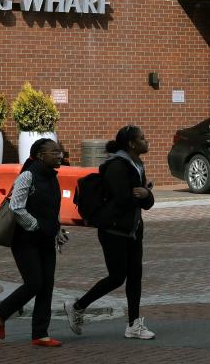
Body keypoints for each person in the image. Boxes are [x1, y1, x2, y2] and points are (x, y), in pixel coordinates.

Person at [64, 125, 156, 339]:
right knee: (117, 277)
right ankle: (78, 306)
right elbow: (124, 198)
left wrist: (146, 194)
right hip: (113, 230)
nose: (146, 141)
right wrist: (143, 194)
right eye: (142, 138)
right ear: (132, 143)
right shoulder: (116, 166)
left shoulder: (137, 164)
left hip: (132, 229)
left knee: (135, 276)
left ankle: (134, 324)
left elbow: (145, 201)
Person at [0, 138, 67, 347]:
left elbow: (52, 208)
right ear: (41, 156)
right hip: (25, 240)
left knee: (46, 287)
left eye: (59, 151)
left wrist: (57, 229)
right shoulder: (28, 175)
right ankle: (1, 311)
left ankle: (40, 334)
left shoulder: (52, 177)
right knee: (34, 283)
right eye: (54, 152)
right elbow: (16, 207)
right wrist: (36, 226)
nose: (59, 154)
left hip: (46, 239)